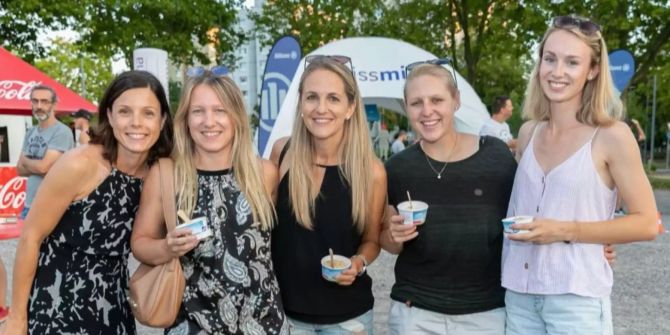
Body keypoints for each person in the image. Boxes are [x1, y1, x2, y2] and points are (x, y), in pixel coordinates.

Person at [502, 15, 658, 335]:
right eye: (550, 59)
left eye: (572, 62)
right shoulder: (529, 132)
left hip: (576, 303)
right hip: (519, 298)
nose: (557, 72)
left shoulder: (612, 135)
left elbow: (647, 222)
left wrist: (567, 230)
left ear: (593, 70)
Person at [1, 71, 173, 334]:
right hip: (57, 310)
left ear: (162, 121)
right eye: (125, 111)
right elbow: (31, 237)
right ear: (109, 116)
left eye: (148, 113)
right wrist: (16, 318)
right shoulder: (79, 164)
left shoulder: (158, 174)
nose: (136, 123)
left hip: (114, 311)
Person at [131, 67, 287, 334]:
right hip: (192, 323)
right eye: (198, 111)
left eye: (220, 110)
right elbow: (140, 244)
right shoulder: (167, 175)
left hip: (263, 323)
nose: (209, 121)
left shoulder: (264, 174)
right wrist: (167, 247)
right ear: (186, 120)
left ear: (236, 117)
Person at [380, 60, 517, 334]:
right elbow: (387, 241)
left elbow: (530, 212)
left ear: (455, 101)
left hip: (485, 314)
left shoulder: (496, 156)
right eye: (416, 102)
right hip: (414, 314)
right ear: (406, 107)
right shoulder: (396, 167)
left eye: (437, 100)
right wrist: (393, 236)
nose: (427, 111)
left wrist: (584, 242)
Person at [269, 55, 386, 334]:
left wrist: (357, 264)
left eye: (333, 98)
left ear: (350, 107)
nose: (321, 108)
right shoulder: (281, 153)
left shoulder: (371, 171)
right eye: (312, 97)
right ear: (300, 104)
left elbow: (372, 240)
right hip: (286, 316)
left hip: (349, 319)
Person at [16, 85, 75, 219]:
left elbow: (43, 167)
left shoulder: (61, 132)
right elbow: (19, 170)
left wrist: (26, 161)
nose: (39, 106)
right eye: (35, 101)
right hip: (28, 205)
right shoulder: (30, 132)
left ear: (54, 105)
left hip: (51, 207)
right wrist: (36, 165)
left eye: (44, 101)